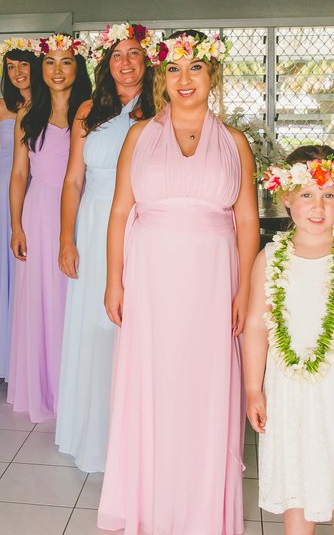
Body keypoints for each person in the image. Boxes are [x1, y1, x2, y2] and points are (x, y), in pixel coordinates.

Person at [98, 30, 258, 535]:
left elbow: (249, 221)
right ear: (161, 76)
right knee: (156, 385)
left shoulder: (235, 142)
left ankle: (201, 510)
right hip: (150, 281)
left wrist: (245, 289)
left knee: (204, 391)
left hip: (213, 282)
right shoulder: (139, 135)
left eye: (195, 68)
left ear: (212, 74)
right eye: (173, 69)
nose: (184, 79)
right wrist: (113, 280)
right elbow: (121, 209)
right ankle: (151, 504)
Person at [243, 146, 334, 535]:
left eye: (328, 195)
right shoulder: (270, 258)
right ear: (286, 198)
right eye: (306, 194)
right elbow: (257, 327)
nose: (317, 206)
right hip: (291, 391)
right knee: (299, 488)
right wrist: (252, 389)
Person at [55, 23, 156, 472]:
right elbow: (73, 179)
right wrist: (66, 238)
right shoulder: (88, 110)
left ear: (147, 61)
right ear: (106, 63)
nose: (126, 62)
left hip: (143, 225)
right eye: (117, 55)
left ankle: (137, 436)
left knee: (136, 324)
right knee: (97, 324)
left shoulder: (161, 110)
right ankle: (95, 434)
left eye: (134, 53)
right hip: (95, 224)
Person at [6, 34, 92, 422]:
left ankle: (75, 390)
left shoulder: (91, 112)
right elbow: (18, 173)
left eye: (66, 62)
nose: (57, 71)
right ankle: (45, 390)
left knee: (72, 297)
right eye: (50, 63)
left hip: (78, 208)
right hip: (38, 213)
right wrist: (15, 225)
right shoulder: (28, 113)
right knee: (41, 298)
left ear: (79, 69)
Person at [0, 38, 38, 379]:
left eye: (24, 65)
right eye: (11, 67)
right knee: (8, 273)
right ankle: (7, 362)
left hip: (38, 191)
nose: (17, 73)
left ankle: (33, 355)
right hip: (4, 193)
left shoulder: (48, 106)